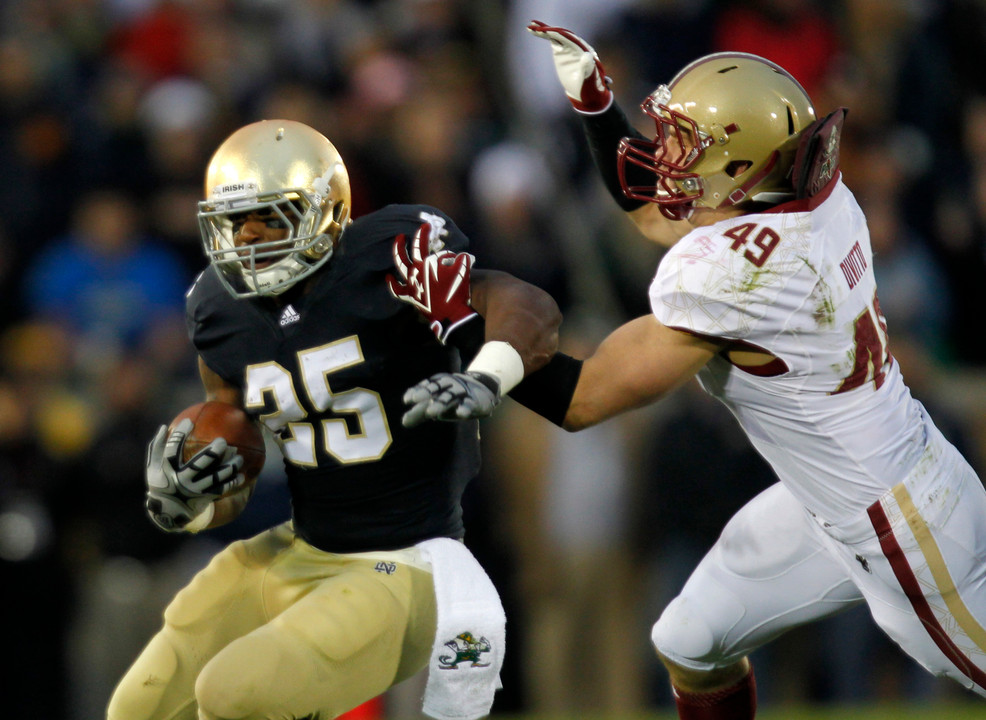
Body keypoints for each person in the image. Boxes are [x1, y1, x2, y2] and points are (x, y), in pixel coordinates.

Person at [391, 22, 986, 719]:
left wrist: (464, 321)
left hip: (903, 528)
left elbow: (584, 398)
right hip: (838, 495)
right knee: (692, 639)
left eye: (685, 143)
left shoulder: (734, 274)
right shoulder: (819, 201)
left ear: (740, 167)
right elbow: (659, 212)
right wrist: (595, 109)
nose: (667, 155)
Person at [105, 119, 561, 720]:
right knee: (136, 706)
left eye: (270, 217)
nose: (249, 238)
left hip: (404, 559)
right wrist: (191, 500)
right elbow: (238, 465)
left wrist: (484, 375)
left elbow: (523, 303)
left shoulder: (386, 257)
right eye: (235, 222)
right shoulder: (219, 312)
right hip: (302, 544)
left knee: (231, 692)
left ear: (324, 208)